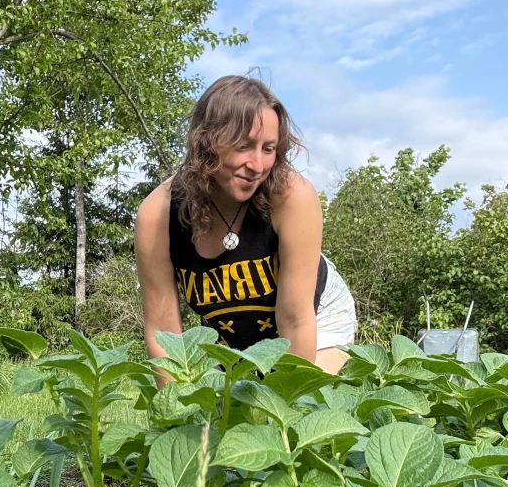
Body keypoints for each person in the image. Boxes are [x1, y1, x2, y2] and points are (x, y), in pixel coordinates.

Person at [134, 74, 357, 383]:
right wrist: (175, 413)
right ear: (207, 142)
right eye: (243, 146)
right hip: (233, 337)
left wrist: (284, 407)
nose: (257, 165)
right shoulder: (157, 215)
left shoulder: (293, 197)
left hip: (317, 316)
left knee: (300, 407)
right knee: (223, 417)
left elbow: (295, 319)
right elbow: (163, 332)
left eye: (268, 149)